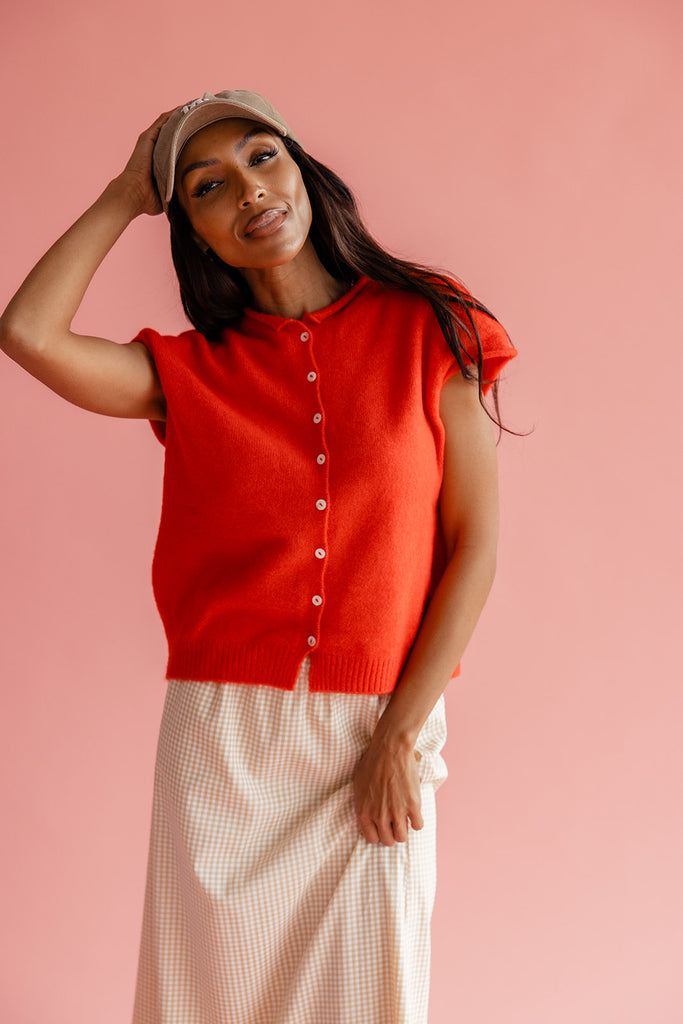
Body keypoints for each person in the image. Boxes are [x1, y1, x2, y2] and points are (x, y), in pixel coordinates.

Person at [0, 89, 517, 1024]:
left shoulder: (429, 323)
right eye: (206, 186)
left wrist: (399, 734)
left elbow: (472, 545)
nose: (247, 190)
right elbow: (27, 335)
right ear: (191, 231)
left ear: (302, 169)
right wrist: (125, 193)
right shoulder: (189, 373)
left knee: (373, 999)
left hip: (377, 723)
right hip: (223, 742)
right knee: (204, 1003)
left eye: (262, 157)